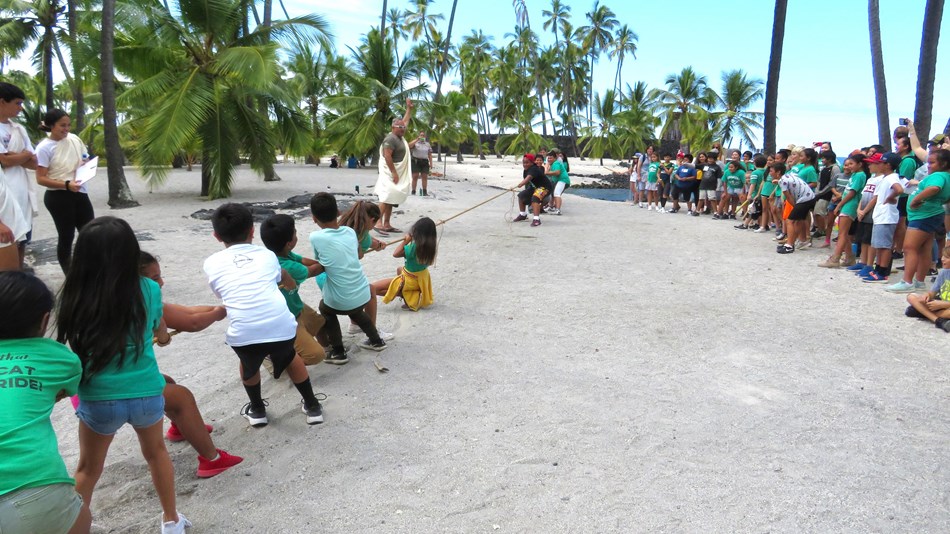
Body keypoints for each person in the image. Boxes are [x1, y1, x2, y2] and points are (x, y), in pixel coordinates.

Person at [56, 217, 190, 534]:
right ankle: (171, 521)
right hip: (145, 393)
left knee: (88, 469)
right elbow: (160, 331)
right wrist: (164, 335)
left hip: (99, 398)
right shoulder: (148, 289)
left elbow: (75, 344)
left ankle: (74, 526)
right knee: (156, 454)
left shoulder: (76, 294)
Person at [203, 203, 324, 427]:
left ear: (216, 236)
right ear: (251, 231)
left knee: (248, 364)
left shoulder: (210, 263)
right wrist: (287, 285)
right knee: (290, 357)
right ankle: (312, 405)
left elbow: (221, 292)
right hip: (281, 328)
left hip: (244, 333)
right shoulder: (267, 255)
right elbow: (283, 275)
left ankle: (258, 410)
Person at [0, 271, 90, 534]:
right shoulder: (59, 358)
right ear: (44, 320)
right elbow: (65, 389)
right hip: (35, 485)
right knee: (81, 519)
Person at [139, 253, 244, 478]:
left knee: (167, 383)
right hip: (122, 389)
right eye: (155, 278)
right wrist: (217, 314)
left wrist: (219, 310)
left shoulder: (106, 297)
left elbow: (186, 311)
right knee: (182, 397)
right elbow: (192, 322)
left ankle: (181, 428)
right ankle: (211, 460)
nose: (162, 283)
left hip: (91, 389)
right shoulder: (146, 297)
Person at [309, 193, 388, 361]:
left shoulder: (315, 237)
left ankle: (338, 351)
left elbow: (319, 259)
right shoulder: (350, 232)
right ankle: (376, 341)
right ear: (338, 212)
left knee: (326, 310)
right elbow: (359, 254)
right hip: (361, 295)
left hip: (340, 299)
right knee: (356, 308)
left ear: (314, 219)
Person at [259, 214, 328, 366]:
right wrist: (330, 261)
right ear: (290, 243)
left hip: (294, 305)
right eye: (295, 232)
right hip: (283, 317)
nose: (297, 234)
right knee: (315, 355)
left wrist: (319, 262)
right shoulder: (288, 268)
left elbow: (303, 260)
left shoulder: (279, 253)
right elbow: (314, 270)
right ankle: (276, 360)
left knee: (320, 323)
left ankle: (327, 348)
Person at [34, 109, 93, 273]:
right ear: (51, 126)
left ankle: (89, 269)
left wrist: (86, 164)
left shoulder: (74, 139)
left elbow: (84, 157)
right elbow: (41, 178)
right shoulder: (44, 148)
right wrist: (66, 185)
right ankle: (69, 274)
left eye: (68, 125)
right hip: (58, 195)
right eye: (62, 126)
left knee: (90, 233)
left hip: (79, 192)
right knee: (66, 236)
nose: (66, 129)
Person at [886, 149, 950, 292]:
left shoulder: (938, 175)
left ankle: (907, 282)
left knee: (909, 248)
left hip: (923, 216)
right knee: (924, 249)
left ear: (944, 163)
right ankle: (919, 282)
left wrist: (916, 200)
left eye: (932, 162)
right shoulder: (947, 176)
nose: (928, 166)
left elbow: (934, 188)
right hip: (931, 214)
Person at [0, 83, 37, 270]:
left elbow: (33, 161)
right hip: (5, 191)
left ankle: (19, 275)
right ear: (2, 102)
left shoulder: (19, 129)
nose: (20, 108)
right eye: (17, 103)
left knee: (22, 239)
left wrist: (14, 156)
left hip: (21, 191)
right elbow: (4, 161)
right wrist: (22, 155)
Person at [375, 217, 437, 312]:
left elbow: (395, 254)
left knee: (374, 288)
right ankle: (409, 291)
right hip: (421, 278)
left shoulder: (413, 248)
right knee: (399, 269)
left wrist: (405, 241)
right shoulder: (431, 246)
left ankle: (403, 293)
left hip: (411, 280)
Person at [860, 153, 904, 283]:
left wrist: (891, 197)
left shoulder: (892, 178)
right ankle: (878, 268)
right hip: (881, 216)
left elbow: (899, 189)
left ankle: (882, 272)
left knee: (884, 246)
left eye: (880, 163)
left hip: (886, 217)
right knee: (879, 245)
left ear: (888, 165)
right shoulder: (886, 178)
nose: (877, 165)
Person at [375, 99, 416, 234]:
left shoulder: (399, 138)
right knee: (387, 196)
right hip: (390, 173)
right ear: (393, 128)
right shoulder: (391, 139)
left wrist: (409, 109)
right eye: (400, 127)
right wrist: (394, 172)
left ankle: (386, 223)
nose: (403, 128)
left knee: (391, 199)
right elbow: (387, 156)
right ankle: (377, 222)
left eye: (403, 127)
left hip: (395, 172)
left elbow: (405, 121)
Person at [821, 154, 868, 268]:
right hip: (847, 204)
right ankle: (849, 257)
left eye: (852, 164)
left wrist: (839, 204)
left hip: (850, 205)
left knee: (842, 233)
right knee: (844, 233)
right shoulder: (855, 174)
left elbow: (852, 192)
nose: (849, 166)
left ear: (860, 164)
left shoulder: (860, 175)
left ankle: (835, 258)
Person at [905, 245, 950, 332]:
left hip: (946, 306)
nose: (942, 259)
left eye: (947, 257)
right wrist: (927, 295)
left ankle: (922, 312)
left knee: (912, 310)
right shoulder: (943, 273)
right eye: (943, 256)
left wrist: (943, 304)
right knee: (911, 296)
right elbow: (932, 292)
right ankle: (938, 320)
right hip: (939, 303)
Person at [774, 162, 816, 254]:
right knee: (798, 221)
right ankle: (799, 241)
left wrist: (795, 207)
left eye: (771, 171)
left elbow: (788, 197)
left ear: (778, 172)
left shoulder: (782, 181)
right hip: (810, 197)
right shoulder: (787, 176)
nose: (770, 173)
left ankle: (789, 246)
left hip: (804, 199)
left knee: (790, 220)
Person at [512, 153, 553, 227]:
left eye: (527, 162)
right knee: (521, 196)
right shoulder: (526, 170)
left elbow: (528, 179)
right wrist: (526, 191)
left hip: (545, 187)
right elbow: (528, 181)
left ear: (532, 162)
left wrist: (520, 184)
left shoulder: (533, 169)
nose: (525, 164)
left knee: (535, 197)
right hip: (535, 187)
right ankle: (523, 214)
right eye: (524, 162)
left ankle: (536, 219)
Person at [545, 149, 570, 215]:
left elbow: (557, 172)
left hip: (563, 180)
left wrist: (547, 173)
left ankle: (558, 210)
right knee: (553, 194)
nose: (549, 159)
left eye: (551, 158)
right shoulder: (553, 163)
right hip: (559, 181)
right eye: (548, 158)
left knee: (556, 193)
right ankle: (551, 207)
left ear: (555, 158)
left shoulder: (556, 163)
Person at [410, 132, 433, 196]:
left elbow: (430, 154)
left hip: (425, 161)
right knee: (415, 176)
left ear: (425, 137)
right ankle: (413, 191)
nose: (422, 137)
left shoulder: (427, 144)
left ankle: (425, 191)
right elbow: (409, 145)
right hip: (415, 161)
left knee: (425, 176)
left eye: (423, 135)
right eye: (421, 135)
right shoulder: (415, 143)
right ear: (419, 136)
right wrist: (417, 139)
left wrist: (431, 163)